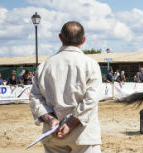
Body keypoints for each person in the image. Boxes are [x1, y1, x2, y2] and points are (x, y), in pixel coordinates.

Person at [29, 21, 102, 153]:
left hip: (53, 134)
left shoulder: (44, 66)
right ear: (83, 40)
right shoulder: (91, 64)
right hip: (83, 135)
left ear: (60, 38)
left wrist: (50, 119)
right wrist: (70, 123)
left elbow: (34, 97)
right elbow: (91, 99)